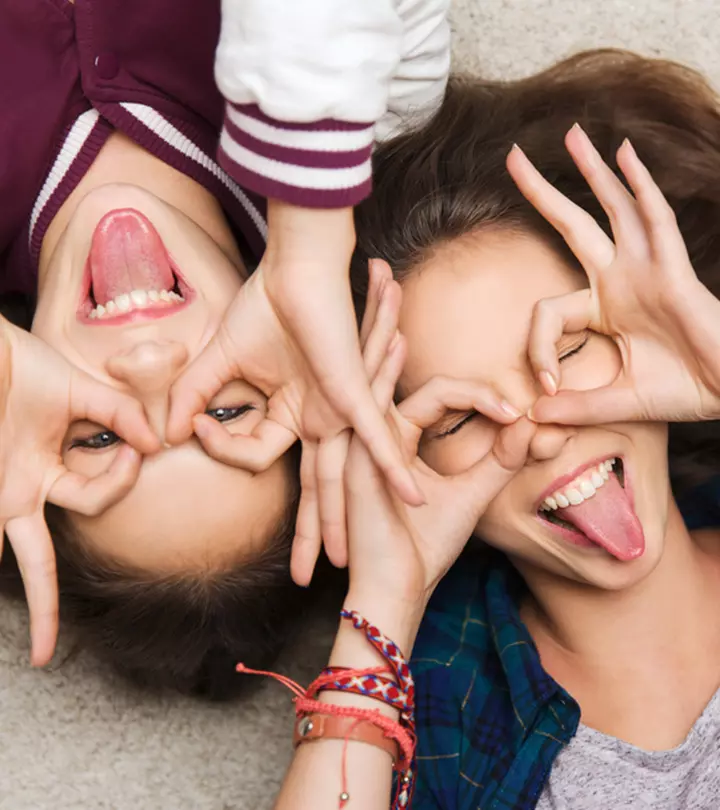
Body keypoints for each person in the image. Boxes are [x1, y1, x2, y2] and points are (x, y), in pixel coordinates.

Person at [263, 50, 720, 809]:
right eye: (464, 417)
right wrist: (383, 600)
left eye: (567, 348)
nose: (539, 431)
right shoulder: (451, 711)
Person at [0, 0, 450, 698]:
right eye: (228, 409)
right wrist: (307, 243)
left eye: (95, 435)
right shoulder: (368, 99)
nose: (148, 364)